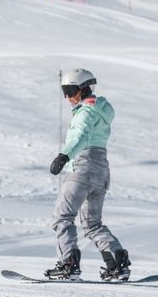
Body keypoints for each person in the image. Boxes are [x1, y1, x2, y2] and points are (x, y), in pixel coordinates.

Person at [45, 69, 131, 281]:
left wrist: (64, 156)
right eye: (64, 91)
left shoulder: (85, 112)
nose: (67, 97)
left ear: (83, 89)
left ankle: (68, 264)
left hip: (82, 168)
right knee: (93, 224)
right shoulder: (100, 110)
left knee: (63, 217)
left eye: (71, 90)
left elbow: (81, 135)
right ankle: (117, 263)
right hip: (101, 170)